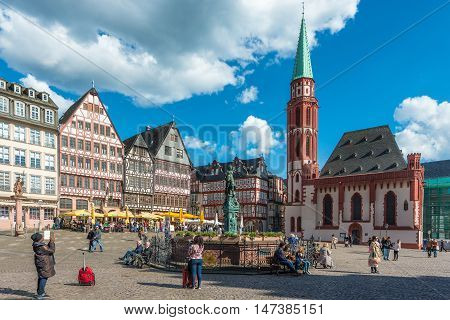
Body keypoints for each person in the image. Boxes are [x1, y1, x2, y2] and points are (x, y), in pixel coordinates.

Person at [31, 232, 56, 299]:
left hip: (41, 263)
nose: (43, 237)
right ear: (39, 239)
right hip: (44, 264)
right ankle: (40, 294)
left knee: (42, 277)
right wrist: (52, 241)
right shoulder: (40, 246)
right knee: (43, 277)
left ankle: (41, 292)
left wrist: (50, 242)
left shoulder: (37, 244)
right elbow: (51, 250)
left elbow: (46, 249)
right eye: (42, 237)